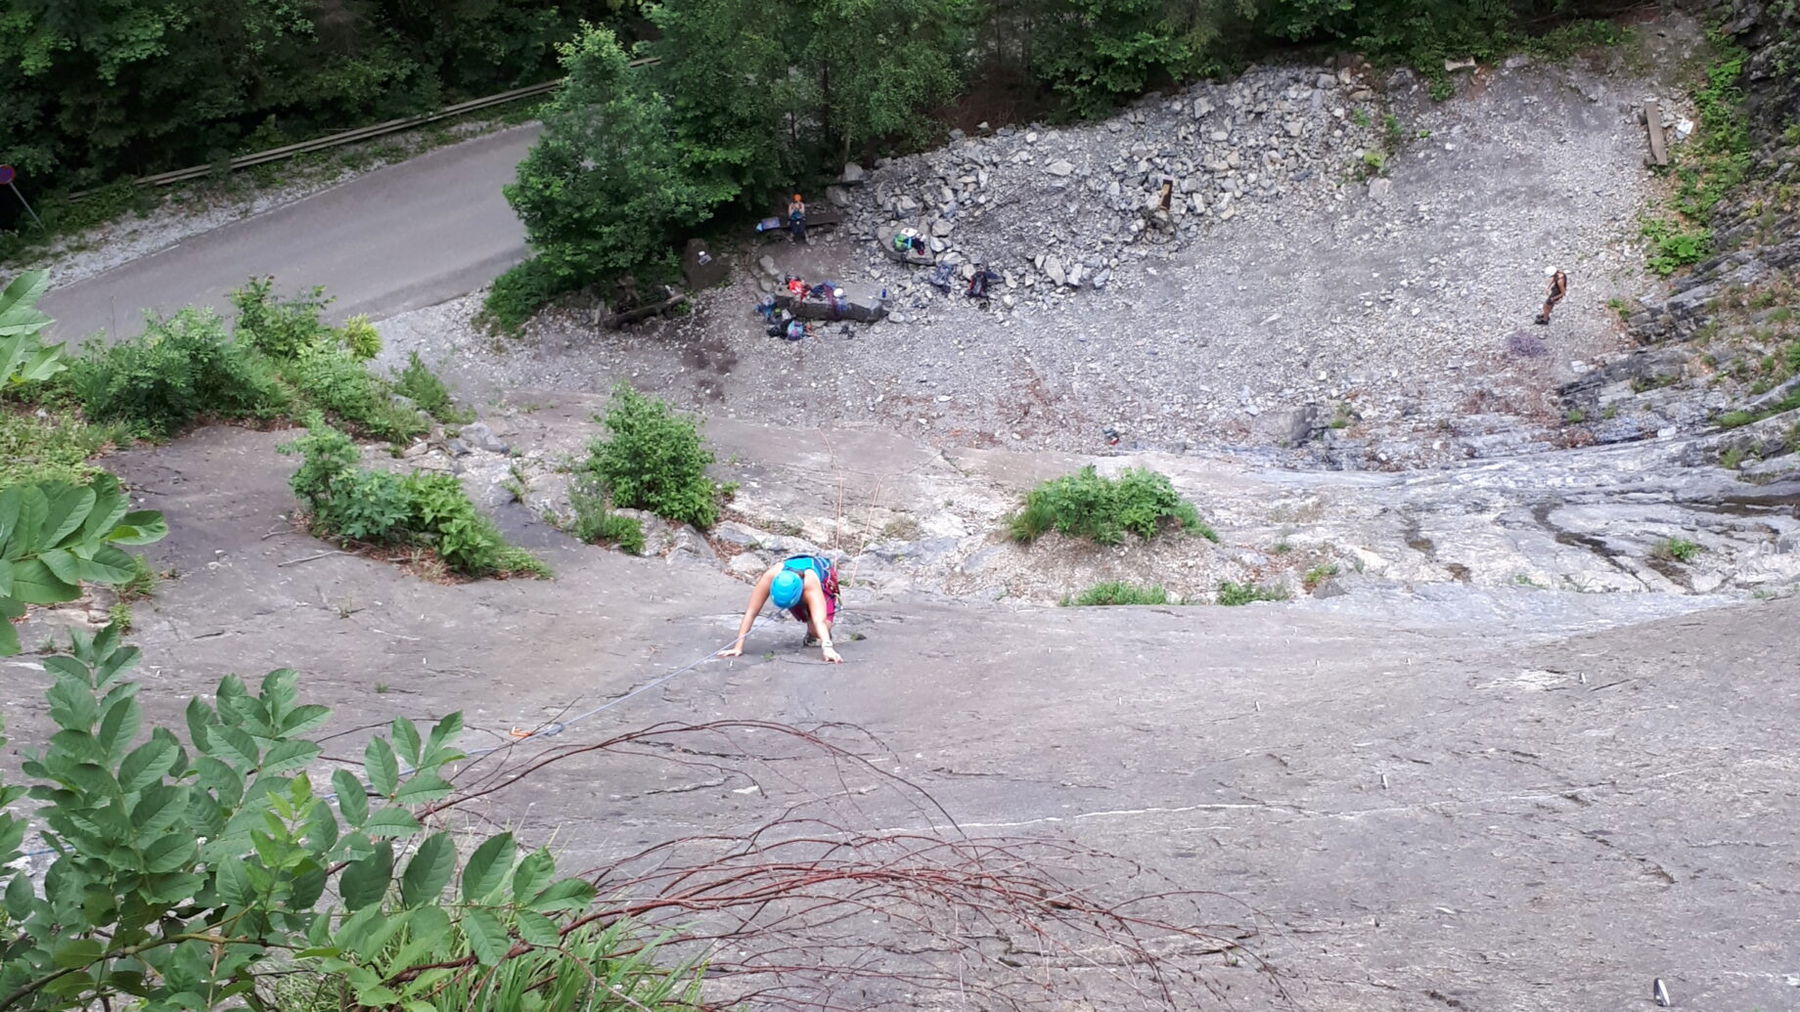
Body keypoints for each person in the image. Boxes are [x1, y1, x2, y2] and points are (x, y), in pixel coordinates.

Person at [721, 555, 843, 663]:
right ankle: (805, 613)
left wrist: (827, 648)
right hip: (794, 585)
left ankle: (813, 632)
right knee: (809, 617)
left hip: (821, 579)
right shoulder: (770, 576)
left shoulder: (810, 584)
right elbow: (751, 611)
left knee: (818, 631)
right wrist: (738, 646)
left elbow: (819, 620)